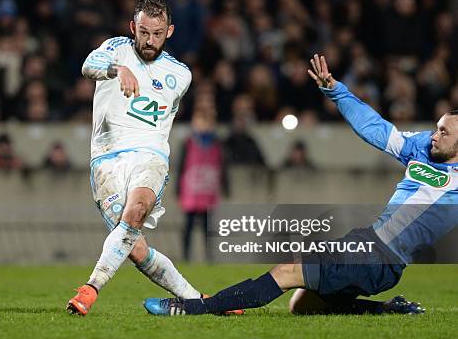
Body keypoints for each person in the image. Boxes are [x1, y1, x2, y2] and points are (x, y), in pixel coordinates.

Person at [144, 54, 458, 316]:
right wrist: (336, 91)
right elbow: (376, 129)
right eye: (437, 127)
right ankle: (386, 310)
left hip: (381, 258)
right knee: (302, 305)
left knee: (287, 271)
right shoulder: (422, 148)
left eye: (445, 132)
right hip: (368, 244)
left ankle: (192, 308)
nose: (434, 135)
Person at [67, 0, 242, 316]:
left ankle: (90, 289)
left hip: (150, 155)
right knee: (134, 248)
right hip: (106, 157)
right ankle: (200, 301)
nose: (149, 41)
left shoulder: (180, 75)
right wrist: (117, 69)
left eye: (157, 34)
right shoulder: (115, 49)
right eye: (144, 32)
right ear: (133, 27)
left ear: (170, 31)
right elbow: (87, 66)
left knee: (134, 214)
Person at [177, 110, 228, 261]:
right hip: (191, 192)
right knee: (189, 226)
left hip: (208, 191)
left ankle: (209, 257)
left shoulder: (217, 143)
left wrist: (225, 186)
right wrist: (178, 191)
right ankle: (186, 257)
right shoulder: (188, 143)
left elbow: (222, 166)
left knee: (208, 228)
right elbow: (181, 167)